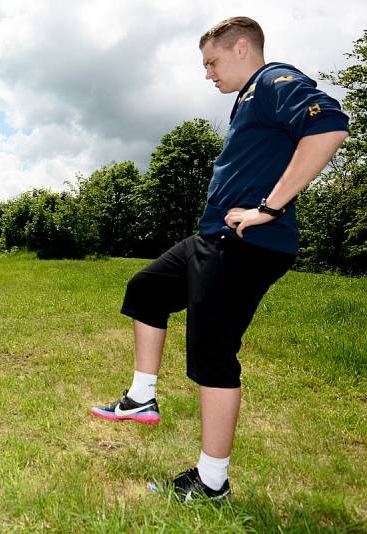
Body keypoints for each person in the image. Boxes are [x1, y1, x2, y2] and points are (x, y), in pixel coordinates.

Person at [90, 16, 349, 501]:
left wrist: (269, 208)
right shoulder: (246, 101)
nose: (207, 73)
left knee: (211, 355)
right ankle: (141, 399)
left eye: (211, 62)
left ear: (242, 48)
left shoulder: (274, 80)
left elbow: (329, 127)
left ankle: (211, 483)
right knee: (146, 290)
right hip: (211, 239)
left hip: (246, 245)